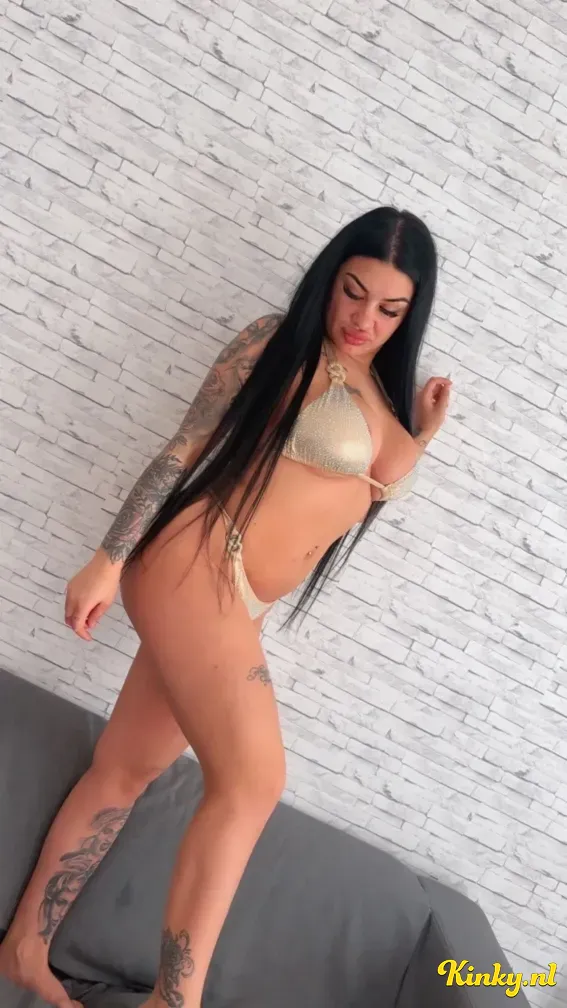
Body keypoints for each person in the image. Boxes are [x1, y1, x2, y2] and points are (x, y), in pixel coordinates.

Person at [0, 206, 451, 1008]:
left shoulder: (385, 400)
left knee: (125, 769)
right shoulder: (276, 343)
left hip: (239, 605)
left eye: (389, 309)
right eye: (352, 292)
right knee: (252, 781)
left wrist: (421, 435)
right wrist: (108, 557)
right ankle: (175, 1002)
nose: (363, 320)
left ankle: (24, 950)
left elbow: (361, 487)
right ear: (329, 278)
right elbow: (183, 448)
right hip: (197, 559)